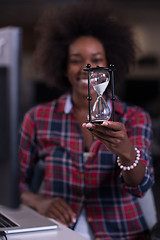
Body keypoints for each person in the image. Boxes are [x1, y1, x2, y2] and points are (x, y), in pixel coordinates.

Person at [19, 1, 154, 239]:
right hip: (59, 231)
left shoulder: (134, 117)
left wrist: (125, 151)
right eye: (75, 59)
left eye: (96, 58)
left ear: (109, 66)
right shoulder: (38, 118)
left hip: (123, 232)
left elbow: (140, 186)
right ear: (62, 66)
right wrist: (39, 201)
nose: (87, 67)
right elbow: (13, 183)